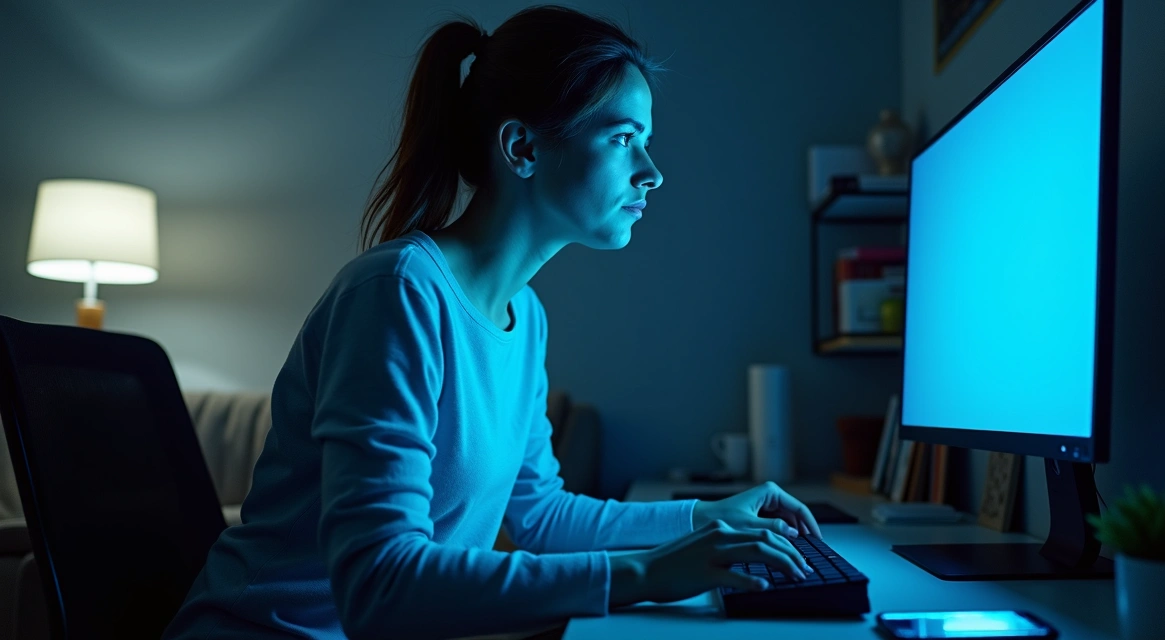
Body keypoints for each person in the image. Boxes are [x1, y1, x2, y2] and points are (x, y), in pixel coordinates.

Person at [162, 5, 822, 639]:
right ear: (522, 147)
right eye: (623, 140)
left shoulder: (523, 316)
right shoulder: (398, 293)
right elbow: (378, 585)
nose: (651, 173)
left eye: (644, 143)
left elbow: (542, 515)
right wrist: (647, 574)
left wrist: (705, 518)